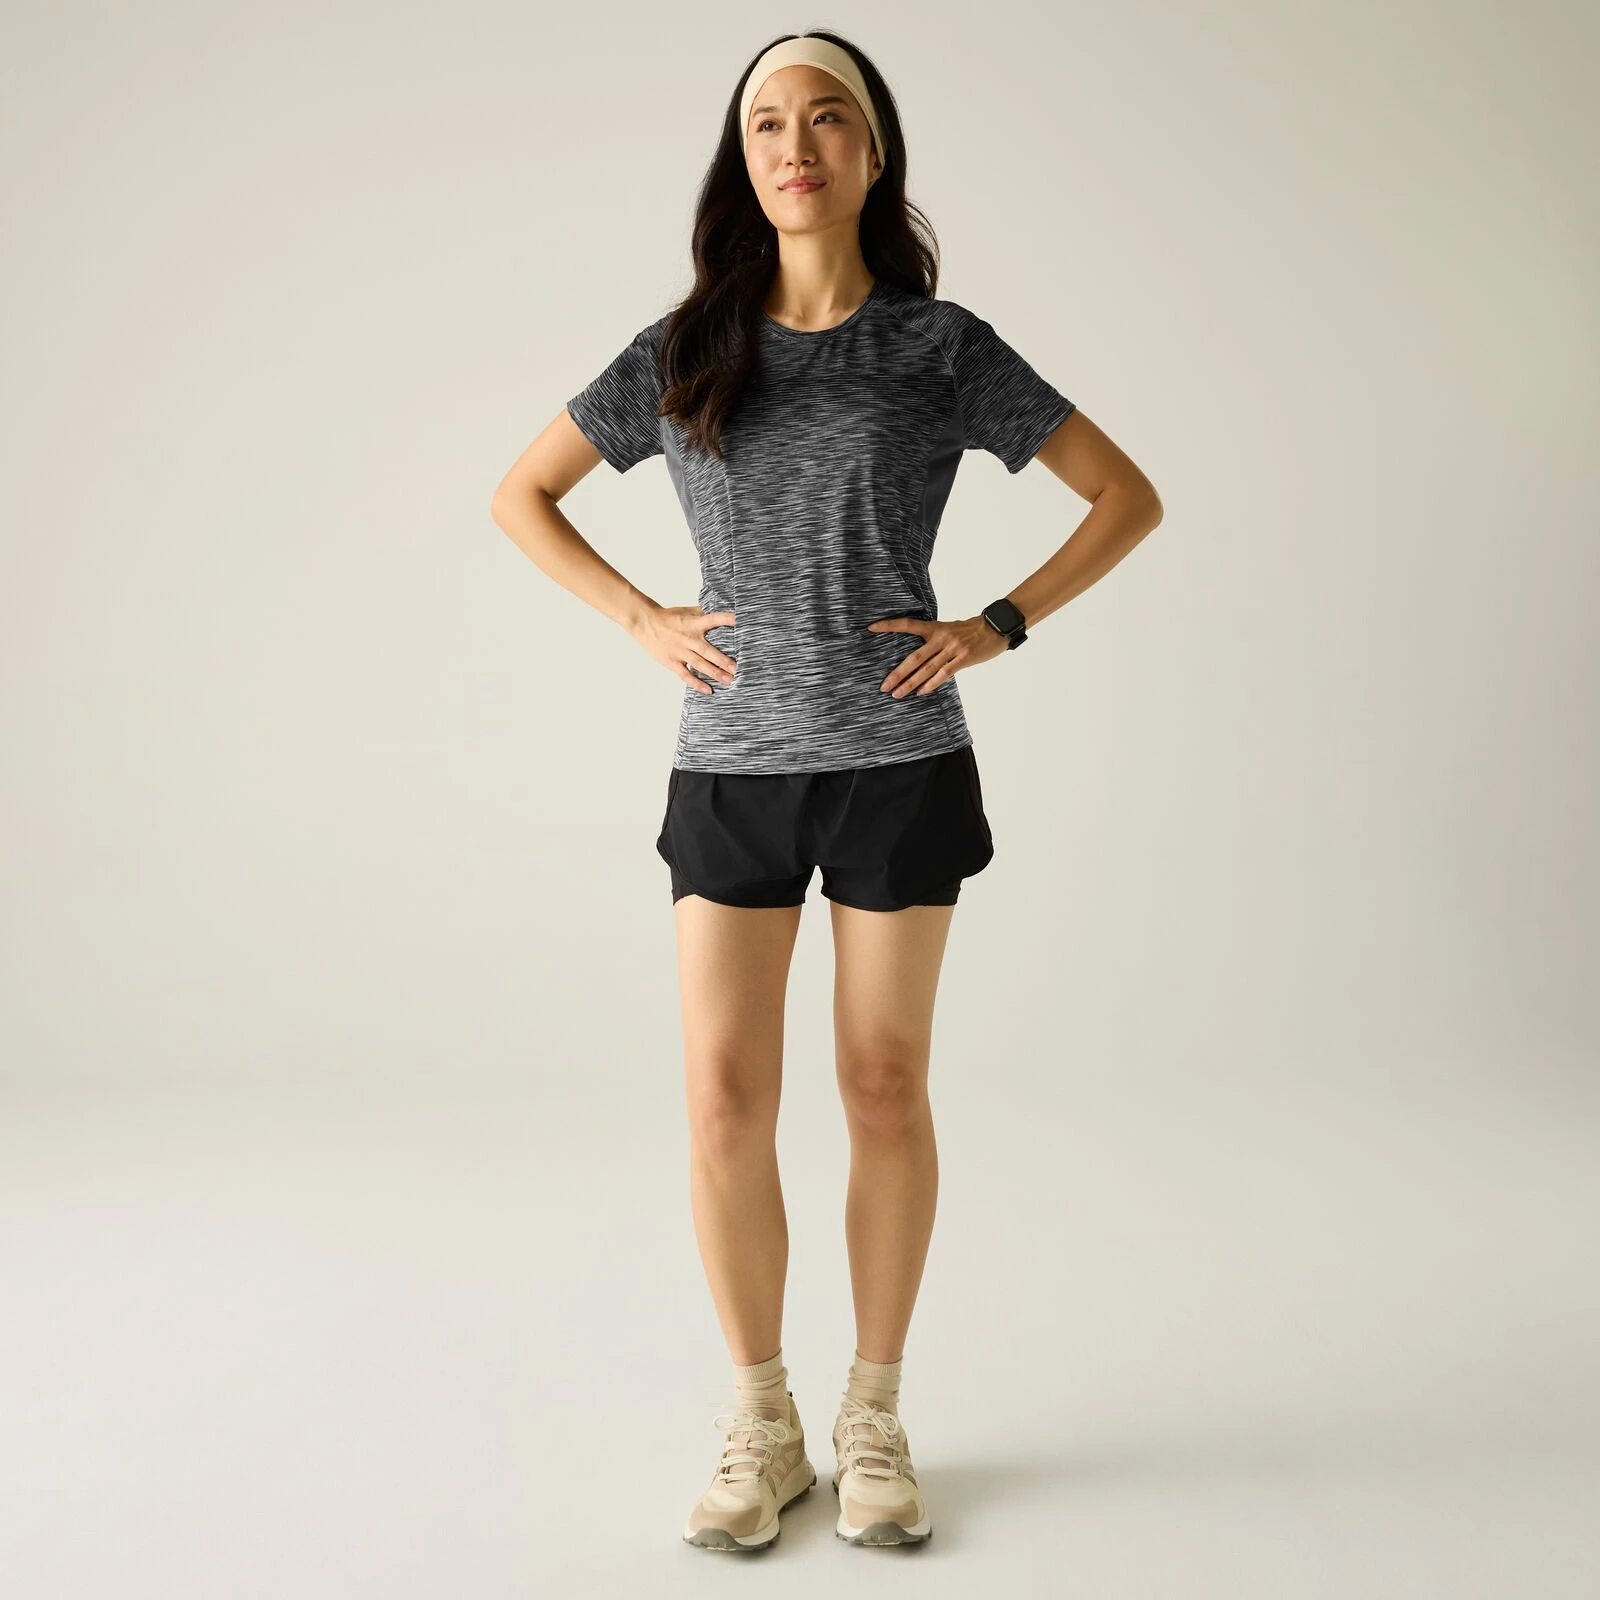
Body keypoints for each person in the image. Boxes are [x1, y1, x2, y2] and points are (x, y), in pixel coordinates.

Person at [491, 30, 1163, 1552]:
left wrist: (997, 623)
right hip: (731, 767)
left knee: (880, 1086)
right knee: (726, 1097)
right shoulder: (683, 348)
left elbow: (1125, 494)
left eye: (828, 118)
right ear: (743, 161)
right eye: (768, 123)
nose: (796, 145)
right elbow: (520, 493)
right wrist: (640, 617)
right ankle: (761, 1421)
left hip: (897, 767)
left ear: (873, 151)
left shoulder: (940, 349)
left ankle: (874, 1415)